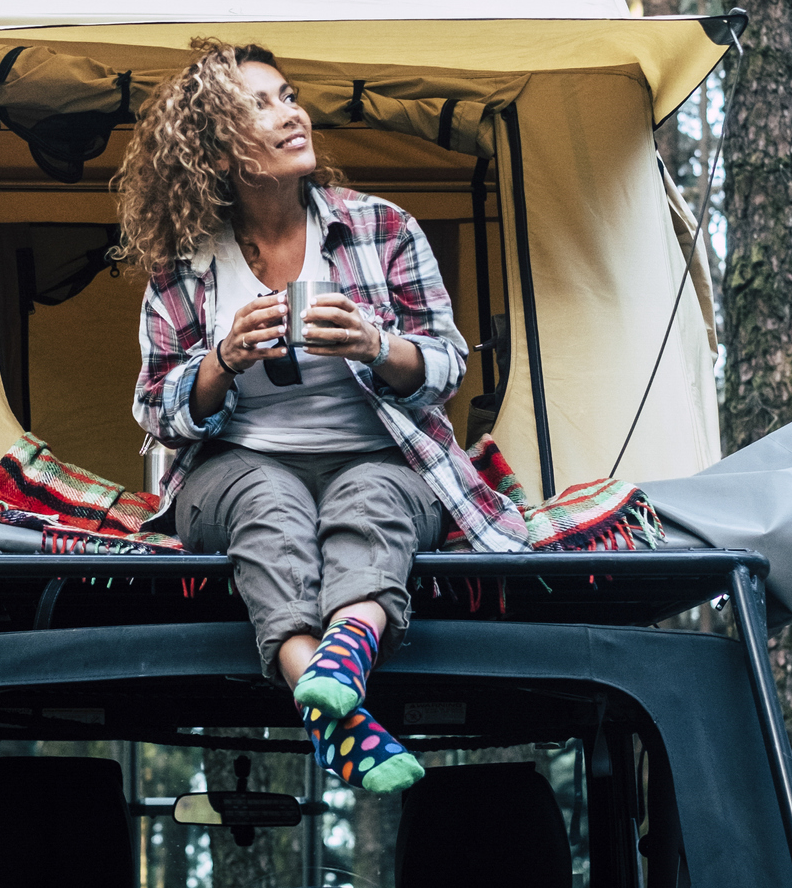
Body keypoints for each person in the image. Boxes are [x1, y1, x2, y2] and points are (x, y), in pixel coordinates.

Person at [119, 39, 529, 793]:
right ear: (214, 149)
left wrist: (379, 347)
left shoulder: (382, 228)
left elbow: (446, 366)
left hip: (380, 457)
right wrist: (220, 363)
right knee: (267, 504)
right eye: (259, 106)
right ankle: (333, 708)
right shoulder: (183, 265)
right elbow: (155, 408)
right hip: (234, 469)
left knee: (370, 499)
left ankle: (337, 667)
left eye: (287, 95)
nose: (289, 114)